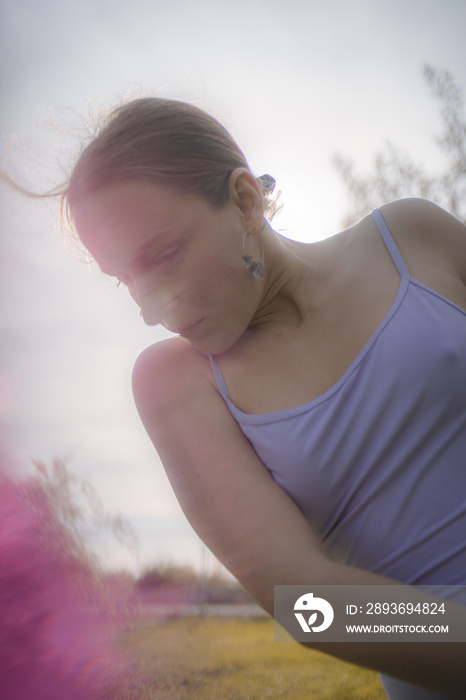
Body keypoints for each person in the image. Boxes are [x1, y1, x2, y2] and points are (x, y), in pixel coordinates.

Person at [62, 98, 465, 698]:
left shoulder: (412, 237)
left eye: (164, 255)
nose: (149, 310)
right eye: (124, 278)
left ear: (245, 200)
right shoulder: (178, 384)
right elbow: (308, 604)